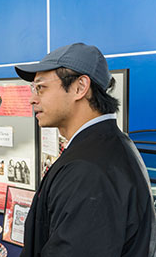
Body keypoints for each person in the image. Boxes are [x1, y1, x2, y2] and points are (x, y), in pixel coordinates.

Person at [15, 43, 156, 257]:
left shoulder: (89, 172)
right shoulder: (108, 145)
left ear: (80, 87)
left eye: (41, 87)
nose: (32, 98)